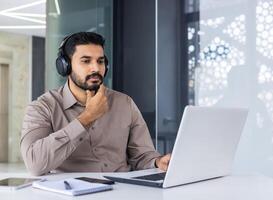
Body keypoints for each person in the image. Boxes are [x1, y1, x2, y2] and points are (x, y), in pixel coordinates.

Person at [20, 32, 170, 176]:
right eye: (86, 61)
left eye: (100, 61)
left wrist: (157, 161)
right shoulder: (43, 107)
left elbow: (142, 155)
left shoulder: (125, 103)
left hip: (123, 190)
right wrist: (87, 118)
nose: (96, 68)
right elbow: (34, 164)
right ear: (65, 66)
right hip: (72, 193)